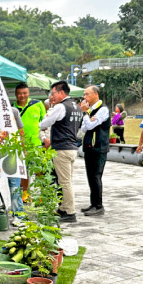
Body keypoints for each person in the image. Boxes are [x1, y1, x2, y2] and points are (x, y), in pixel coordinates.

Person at [38, 81, 83, 222]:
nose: (52, 96)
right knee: (67, 180)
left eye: (53, 93)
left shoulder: (61, 107)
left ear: (61, 92)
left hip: (61, 149)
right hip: (72, 147)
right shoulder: (77, 107)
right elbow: (80, 128)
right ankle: (63, 208)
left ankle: (70, 213)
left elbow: (45, 123)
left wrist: (42, 122)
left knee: (64, 182)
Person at [0, 106, 26, 225]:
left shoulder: (13, 111)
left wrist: (23, 149)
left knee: (13, 186)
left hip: (12, 154)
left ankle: (18, 214)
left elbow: (21, 131)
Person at [77, 85, 110, 216]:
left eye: (87, 94)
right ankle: (93, 203)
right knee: (90, 177)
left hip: (99, 147)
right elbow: (85, 128)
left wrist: (86, 114)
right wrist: (87, 116)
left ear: (96, 94)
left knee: (96, 176)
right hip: (89, 147)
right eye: (84, 95)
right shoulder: (91, 110)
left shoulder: (103, 110)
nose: (85, 98)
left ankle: (98, 205)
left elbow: (90, 125)